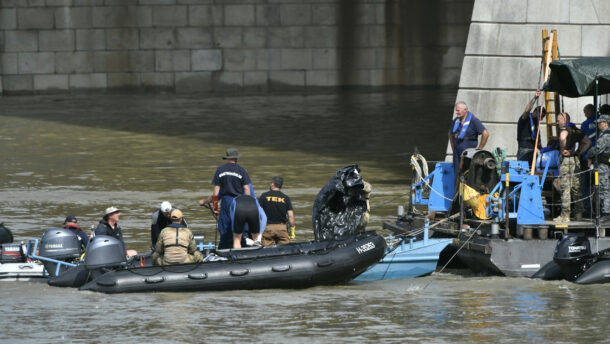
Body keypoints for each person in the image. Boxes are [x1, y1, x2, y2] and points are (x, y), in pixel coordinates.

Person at [199, 148, 252, 249]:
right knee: (240, 229)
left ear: (227, 158)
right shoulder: (241, 170)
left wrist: (215, 207)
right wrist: (247, 204)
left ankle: (223, 252)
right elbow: (246, 188)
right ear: (236, 158)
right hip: (239, 202)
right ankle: (243, 250)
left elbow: (216, 189)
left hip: (226, 202)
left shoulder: (220, 170)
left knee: (225, 229)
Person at [554, 112, 588, 222]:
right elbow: (588, 142)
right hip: (576, 161)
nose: (557, 122)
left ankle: (565, 215)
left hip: (567, 161)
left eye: (558, 120)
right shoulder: (577, 130)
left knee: (565, 188)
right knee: (576, 188)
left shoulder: (565, 129)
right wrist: (579, 152)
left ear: (565, 120)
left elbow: (562, 137)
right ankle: (579, 214)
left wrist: (563, 148)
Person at [448, 101, 489, 173]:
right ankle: (456, 184)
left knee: (466, 172)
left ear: (465, 110)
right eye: (456, 110)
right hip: (457, 151)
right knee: (457, 172)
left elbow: (485, 134)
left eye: (458, 110)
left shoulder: (474, 120)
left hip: (468, 153)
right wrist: (453, 146)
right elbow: (450, 134)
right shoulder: (456, 120)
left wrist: (480, 148)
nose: (456, 112)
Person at [259, 176, 296, 246]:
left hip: (268, 228)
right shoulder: (286, 198)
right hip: (282, 229)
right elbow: (291, 216)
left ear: (272, 184)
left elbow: (258, 213)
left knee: (265, 251)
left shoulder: (264, 196)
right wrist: (292, 229)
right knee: (285, 250)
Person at [587, 114, 610, 222]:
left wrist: (588, 155)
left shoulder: (606, 136)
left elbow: (597, 149)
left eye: (600, 123)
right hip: (604, 165)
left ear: (605, 123)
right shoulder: (604, 134)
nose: (598, 125)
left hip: (604, 166)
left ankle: (606, 213)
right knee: (603, 189)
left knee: (603, 189)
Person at [517, 90, 546, 165]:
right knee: (523, 171)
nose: (541, 119)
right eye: (541, 116)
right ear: (536, 112)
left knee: (533, 171)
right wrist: (535, 98)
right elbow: (527, 110)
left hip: (533, 150)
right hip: (524, 150)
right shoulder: (525, 119)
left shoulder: (536, 124)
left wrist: (544, 150)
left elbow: (538, 140)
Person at [581, 104, 597, 216]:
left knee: (585, 184)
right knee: (598, 184)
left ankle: (587, 207)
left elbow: (582, 141)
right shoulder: (602, 123)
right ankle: (599, 208)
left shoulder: (585, 124)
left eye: (585, 112)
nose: (584, 114)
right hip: (601, 160)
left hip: (587, 159)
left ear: (589, 112)